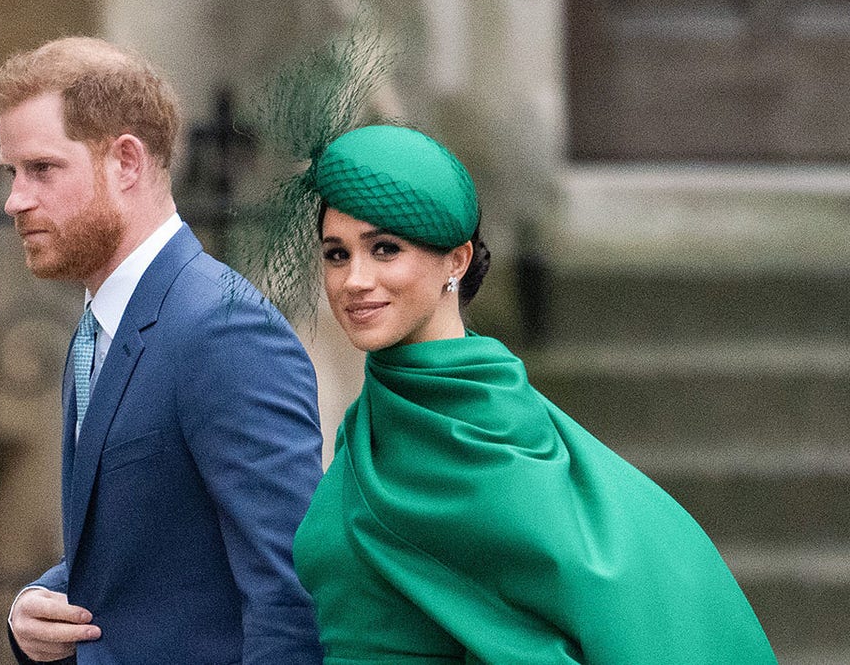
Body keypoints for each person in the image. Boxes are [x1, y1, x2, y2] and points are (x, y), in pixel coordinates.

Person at [287, 124, 777, 663]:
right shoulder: (371, 424)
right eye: (337, 254)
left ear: (457, 260)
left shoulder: (487, 433)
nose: (355, 279)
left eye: (385, 249)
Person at [0, 36, 324, 664]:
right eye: (12, 173)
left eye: (42, 169)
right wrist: (39, 604)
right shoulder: (102, 324)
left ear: (127, 163)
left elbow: (292, 595)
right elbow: (160, 551)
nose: (15, 199)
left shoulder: (223, 331)